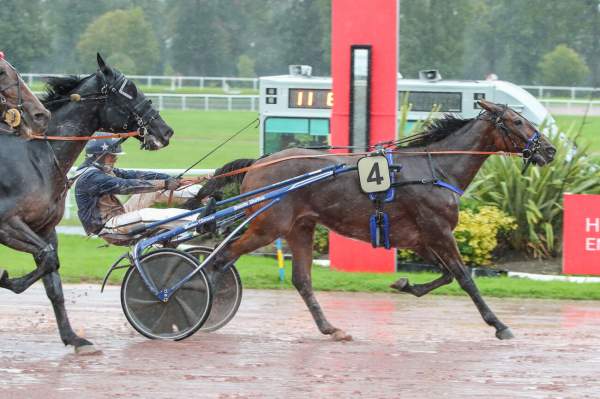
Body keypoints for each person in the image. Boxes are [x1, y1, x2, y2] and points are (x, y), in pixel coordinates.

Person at [74, 136, 207, 243]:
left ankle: (204, 193)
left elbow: (136, 175)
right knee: (147, 214)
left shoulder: (101, 170)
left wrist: (172, 179)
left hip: (119, 215)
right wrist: (165, 183)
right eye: (112, 155)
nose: (116, 158)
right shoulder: (90, 177)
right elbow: (125, 186)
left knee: (155, 191)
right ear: (99, 156)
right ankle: (199, 219)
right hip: (109, 228)